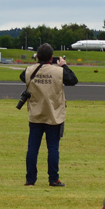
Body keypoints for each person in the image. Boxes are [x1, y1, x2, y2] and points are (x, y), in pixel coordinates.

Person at [21, 43, 78, 187]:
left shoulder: (30, 70)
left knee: (32, 148)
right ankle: (53, 178)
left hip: (35, 114)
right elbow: (73, 80)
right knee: (53, 148)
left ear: (37, 56)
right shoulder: (58, 72)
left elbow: (23, 77)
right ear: (52, 57)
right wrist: (63, 65)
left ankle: (30, 179)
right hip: (54, 115)